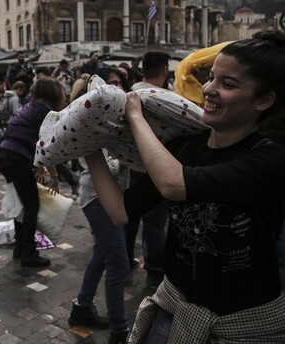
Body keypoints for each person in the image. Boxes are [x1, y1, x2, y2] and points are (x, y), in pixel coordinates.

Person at [85, 31, 285, 342]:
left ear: (264, 100)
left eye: (227, 84)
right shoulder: (186, 146)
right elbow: (121, 212)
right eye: (211, 78)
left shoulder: (270, 158)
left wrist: (135, 117)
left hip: (242, 326)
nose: (209, 89)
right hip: (173, 310)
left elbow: (173, 184)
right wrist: (88, 145)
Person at [69, 68, 131, 344]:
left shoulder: (110, 121)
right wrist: (130, 157)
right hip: (98, 198)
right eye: (110, 86)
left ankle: (81, 309)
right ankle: (120, 331)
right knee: (118, 265)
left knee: (101, 255)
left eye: (118, 85)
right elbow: (101, 166)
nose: (115, 90)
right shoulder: (89, 124)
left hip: (106, 198)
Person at [0, 77, 66, 267]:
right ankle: (28, 254)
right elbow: (46, 147)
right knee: (31, 206)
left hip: (6, 156)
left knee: (24, 204)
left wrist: (40, 168)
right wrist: (54, 176)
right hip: (16, 159)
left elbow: (34, 141)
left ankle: (20, 249)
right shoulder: (45, 112)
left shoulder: (32, 106)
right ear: (53, 93)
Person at [124, 51, 170, 288]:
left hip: (130, 166)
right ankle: (154, 274)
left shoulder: (127, 96)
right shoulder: (166, 98)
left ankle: (124, 263)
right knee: (154, 225)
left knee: (129, 219)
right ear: (165, 70)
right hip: (156, 168)